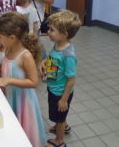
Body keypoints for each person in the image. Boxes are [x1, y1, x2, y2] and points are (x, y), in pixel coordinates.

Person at [0, 12, 46, 147]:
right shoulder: (7, 49)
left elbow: (33, 82)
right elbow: (7, 66)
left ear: (12, 38)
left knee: (24, 131)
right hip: (10, 96)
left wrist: (8, 80)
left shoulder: (25, 56)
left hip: (23, 101)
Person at [45, 10, 81, 147]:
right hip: (53, 87)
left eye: (52, 30)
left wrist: (64, 99)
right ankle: (63, 126)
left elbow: (71, 79)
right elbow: (54, 60)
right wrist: (46, 65)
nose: (48, 32)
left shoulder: (68, 56)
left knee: (59, 116)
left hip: (60, 93)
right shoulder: (58, 44)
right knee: (59, 115)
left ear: (64, 34)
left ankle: (59, 141)